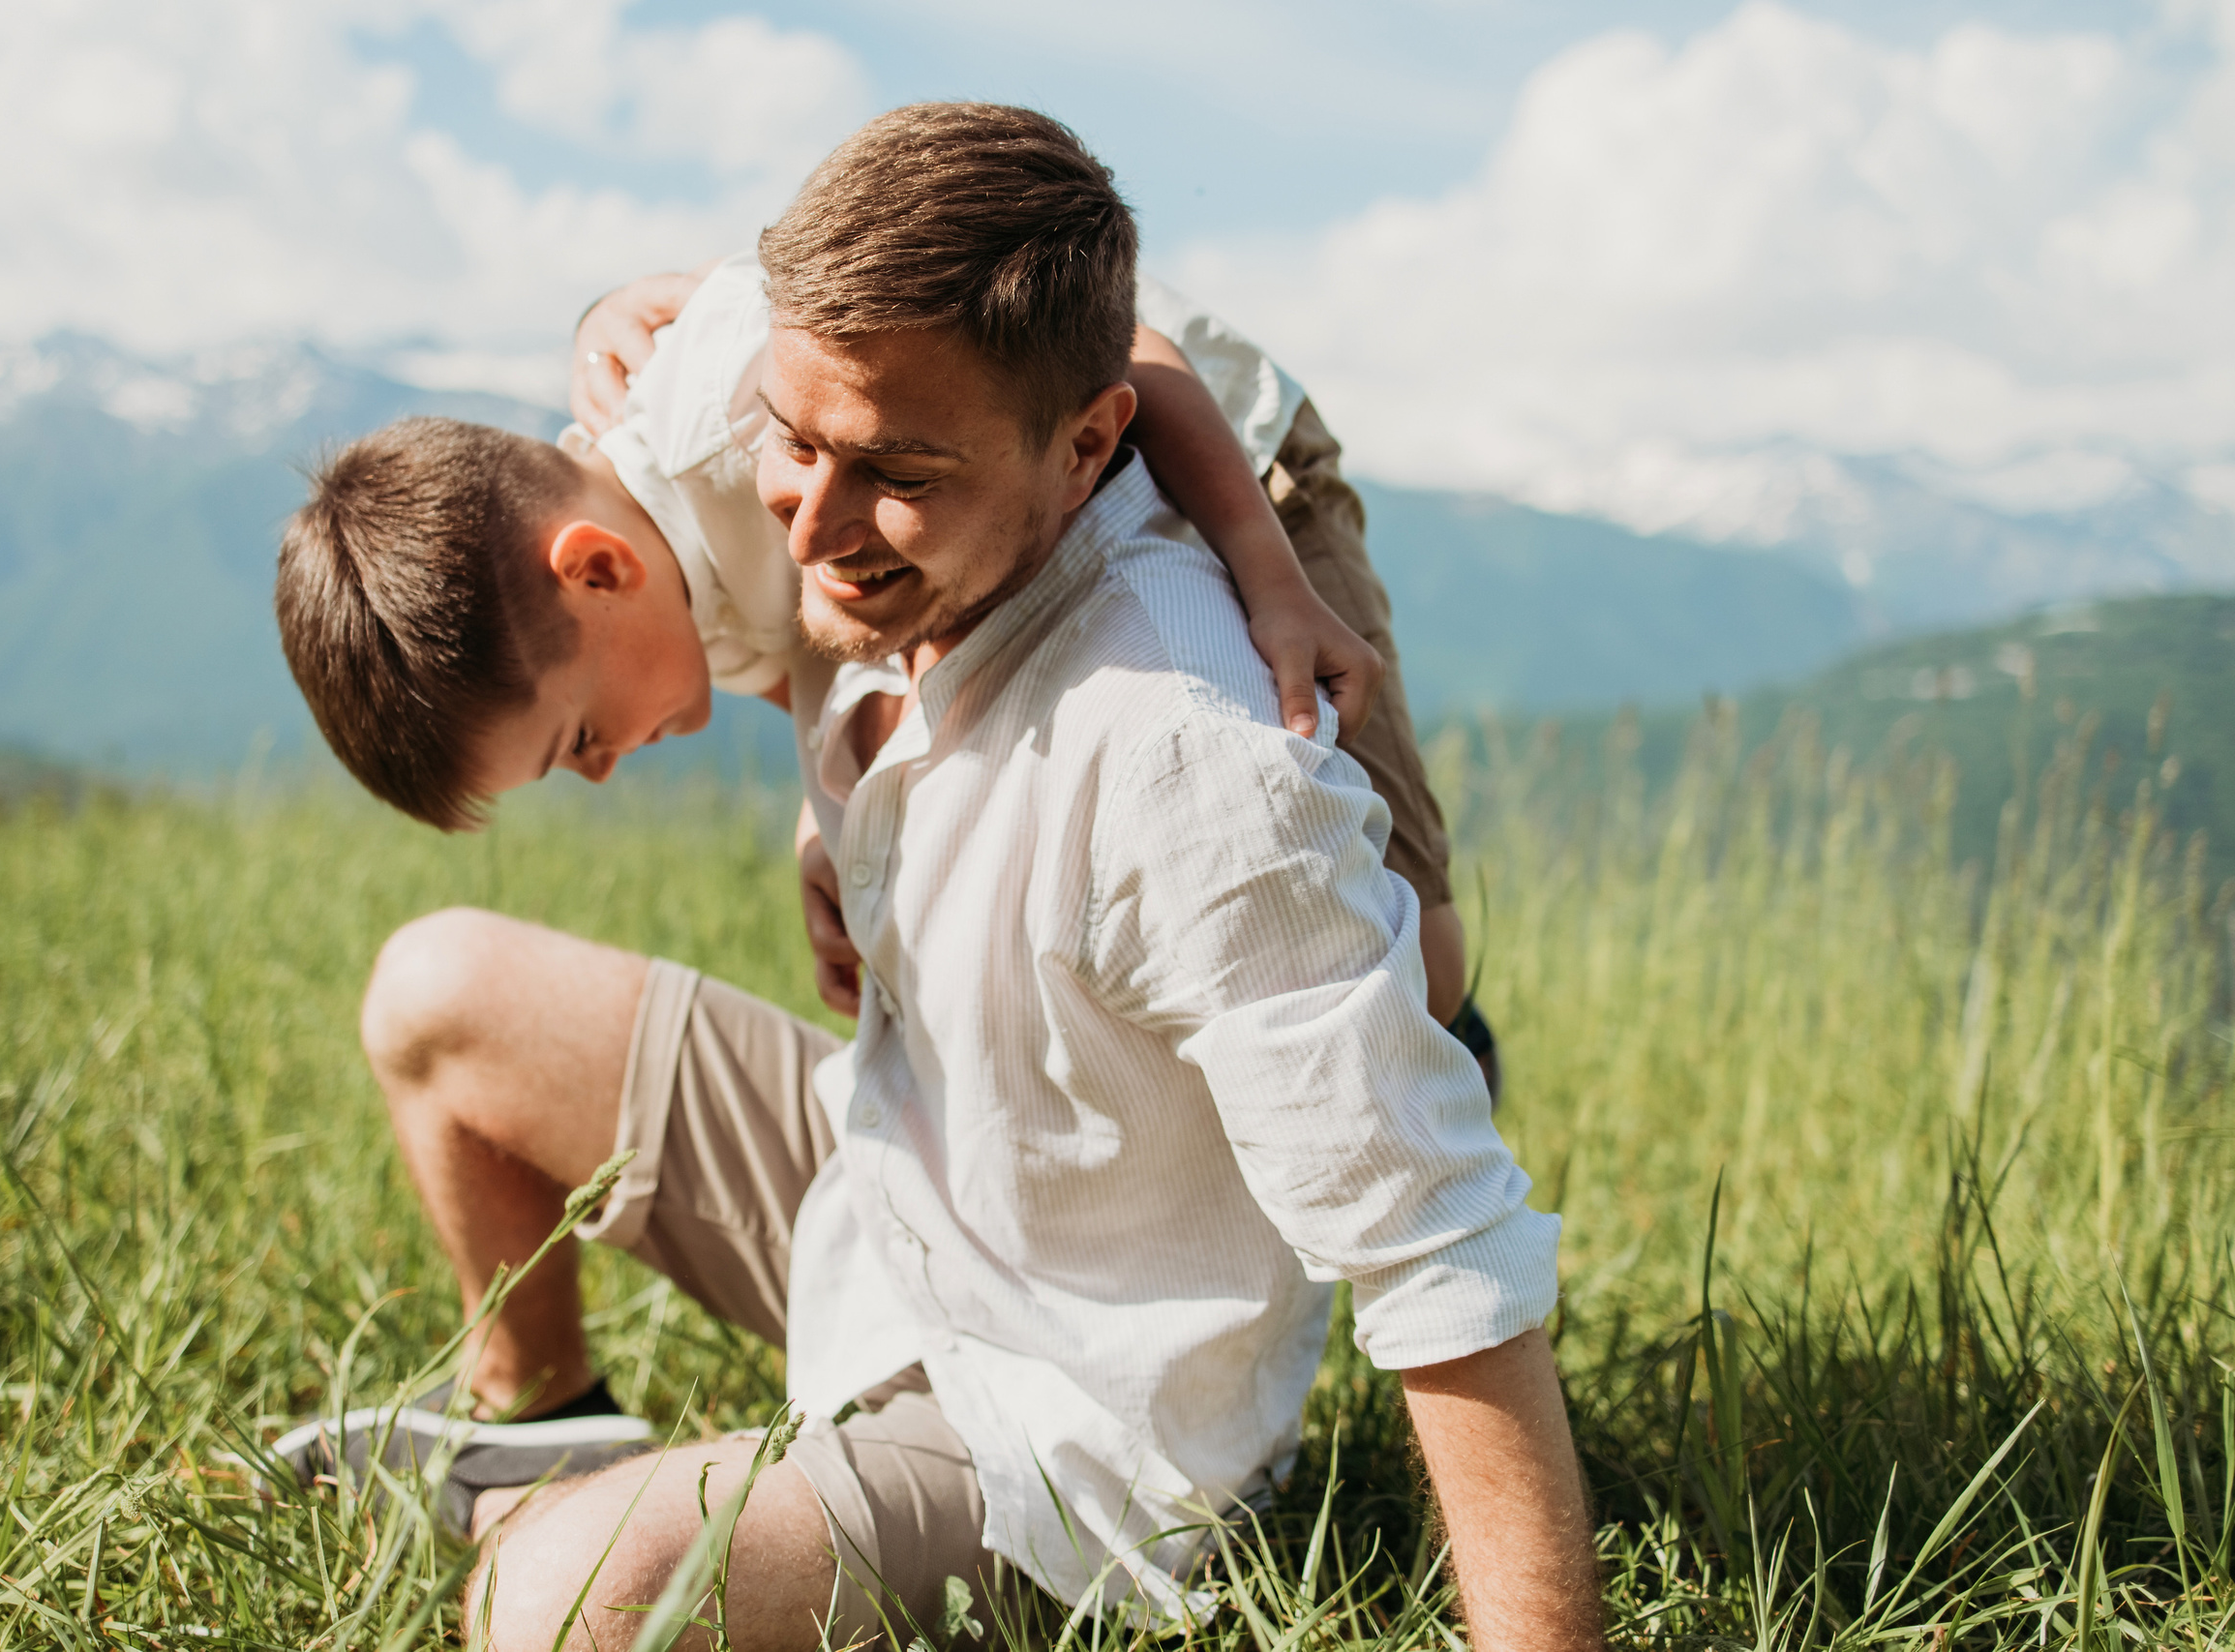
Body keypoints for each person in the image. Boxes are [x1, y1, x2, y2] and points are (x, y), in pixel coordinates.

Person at [276, 103, 1599, 1652]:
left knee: (556, 1594)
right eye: (795, 442)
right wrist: (834, 809)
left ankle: (1381, 1034)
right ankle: (548, 1421)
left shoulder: (1184, 748)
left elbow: (1441, 1253)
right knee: (433, 984)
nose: (819, 524)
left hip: (1051, 1418)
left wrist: (1270, 577)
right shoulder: (802, 475)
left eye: (894, 469)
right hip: (895, 1217)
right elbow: (820, 551)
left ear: (1083, 447)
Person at [568, 257, 1496, 1070]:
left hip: (1232, 464)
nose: (599, 768)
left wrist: (1274, 580)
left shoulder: (708, 384)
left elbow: (1132, 353)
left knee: (1419, 971)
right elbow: (847, 676)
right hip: (1004, 529)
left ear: (591, 576)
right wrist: (830, 815)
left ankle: (1441, 1097)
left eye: (570, 738)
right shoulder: (692, 626)